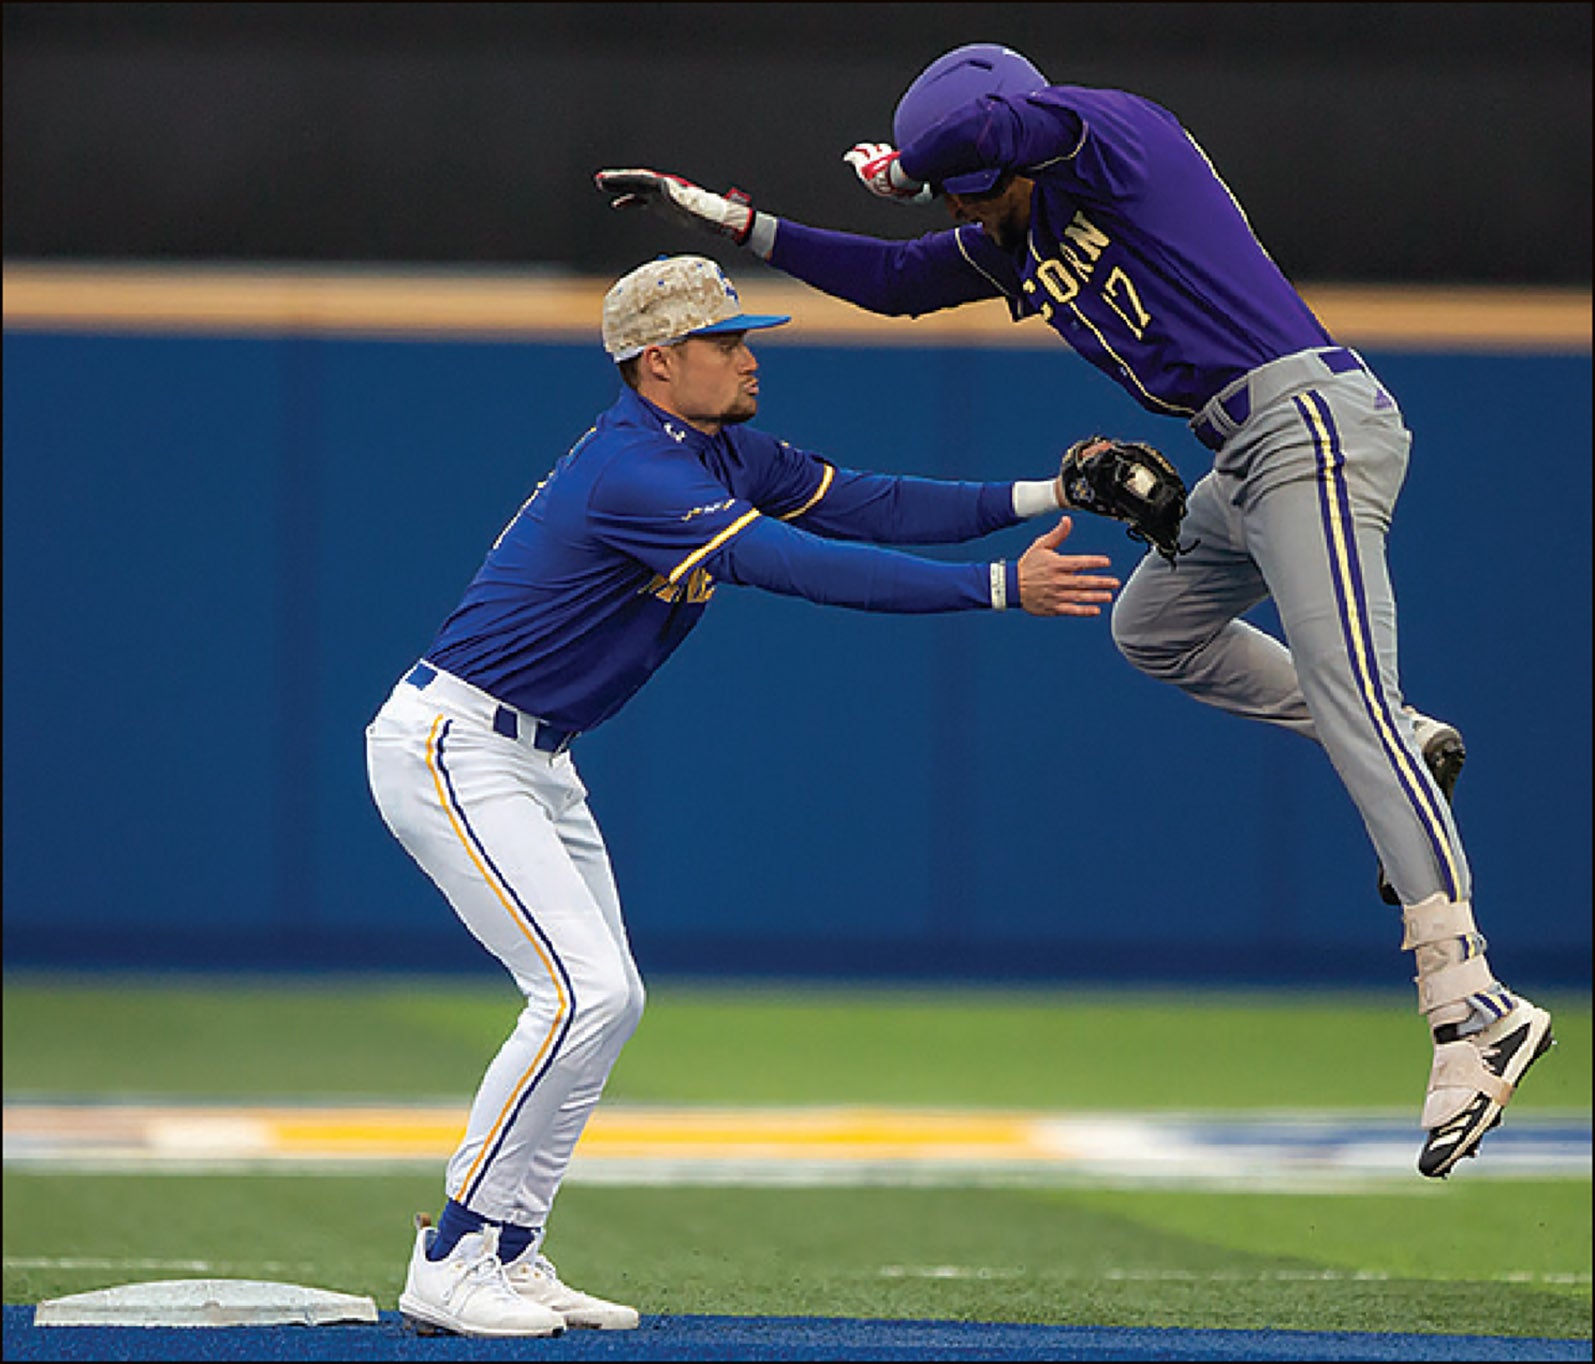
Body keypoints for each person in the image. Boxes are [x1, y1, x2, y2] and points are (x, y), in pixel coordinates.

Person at [594, 42, 1555, 1180]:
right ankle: (1401, 737)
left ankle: (1467, 1000)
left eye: (966, 183)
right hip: (1243, 454)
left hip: (1310, 427)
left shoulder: (1109, 140)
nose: (962, 206)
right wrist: (742, 227)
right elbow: (893, 282)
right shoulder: (1027, 234)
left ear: (1004, 132)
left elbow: (986, 136)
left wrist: (909, 160)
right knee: (1153, 627)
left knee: (1349, 705)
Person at [364, 252, 1122, 1338]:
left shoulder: (719, 449)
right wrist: (998, 587)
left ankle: (512, 1249)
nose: (747, 352)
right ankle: (450, 1253)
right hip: (453, 746)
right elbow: (805, 564)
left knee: (608, 998)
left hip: (534, 754)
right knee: (579, 993)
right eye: (724, 340)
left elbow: (874, 503)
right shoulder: (638, 470)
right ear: (658, 363)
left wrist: (1049, 492)